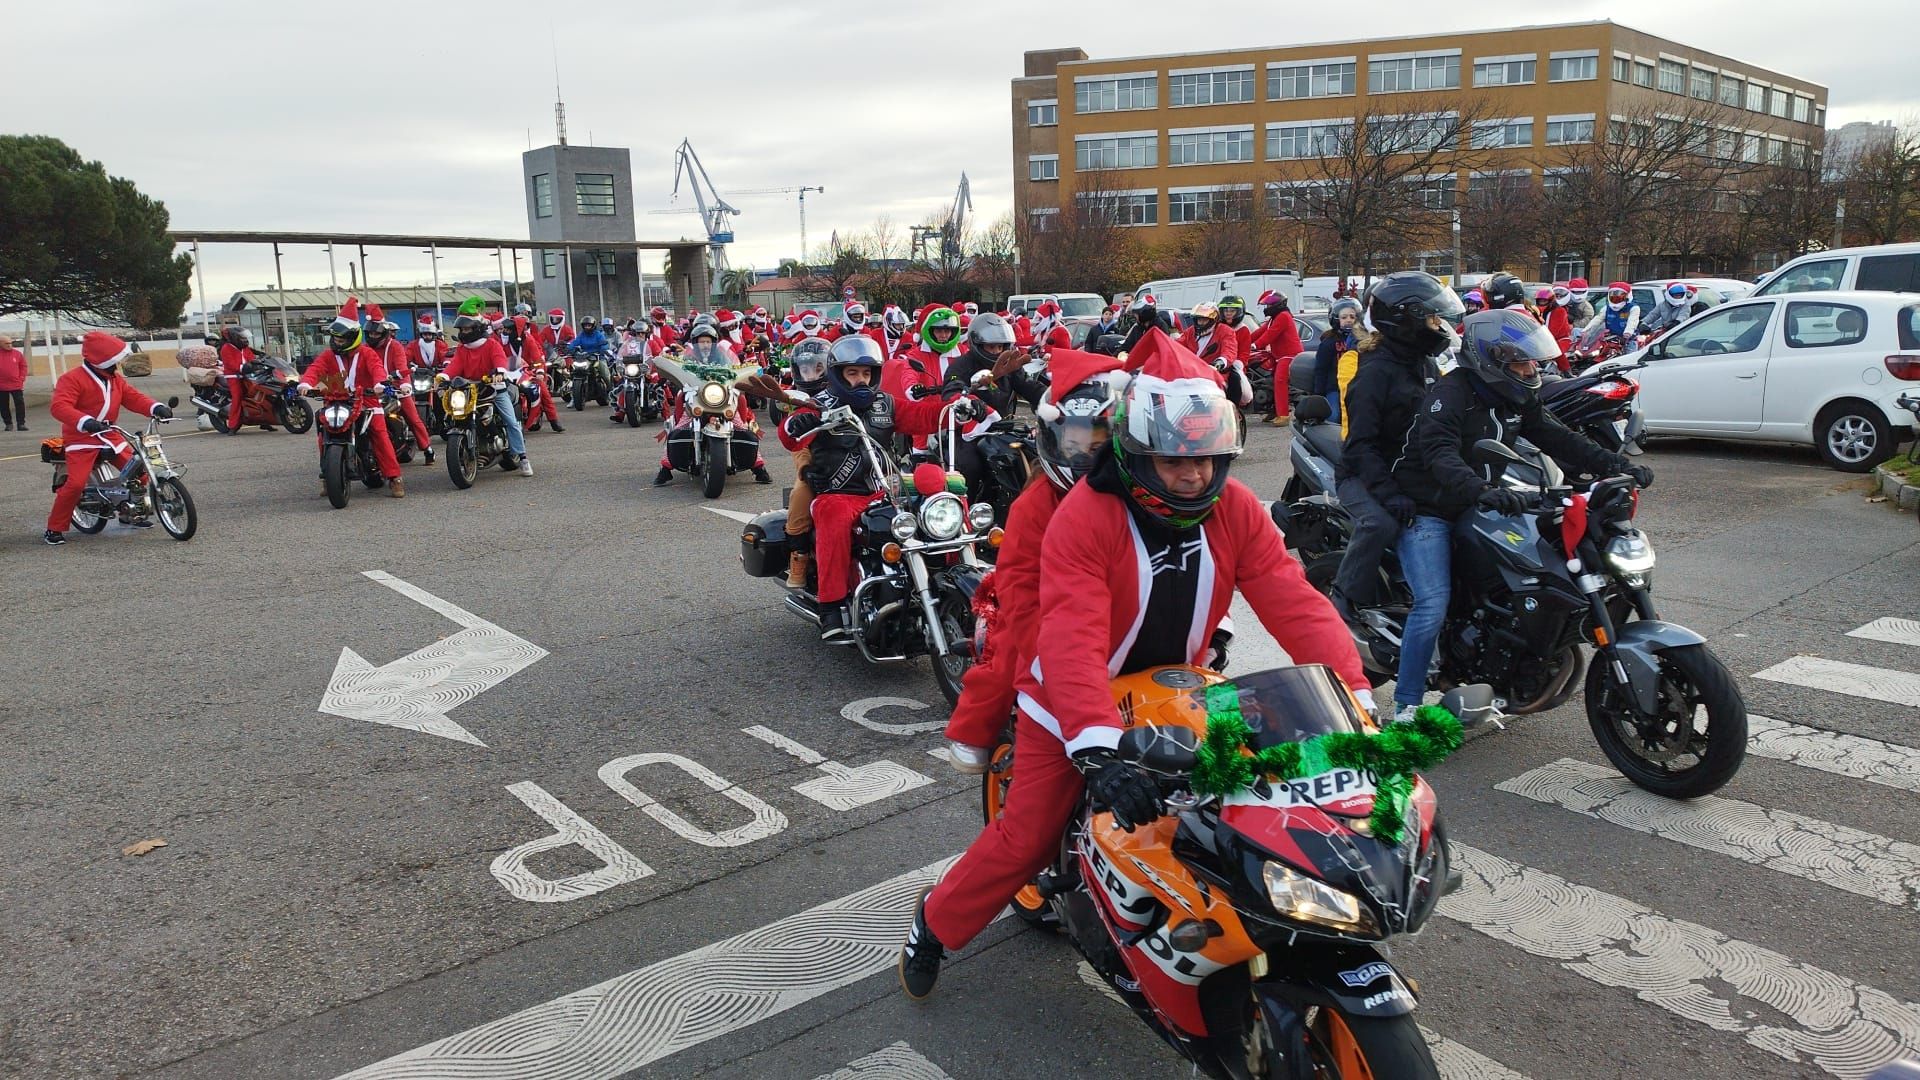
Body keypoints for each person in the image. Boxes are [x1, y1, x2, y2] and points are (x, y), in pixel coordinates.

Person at [897, 330, 1373, 998]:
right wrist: (1098, 747)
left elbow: (1294, 600)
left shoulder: (1235, 507)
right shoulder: (1083, 515)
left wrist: (1354, 698)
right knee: (1028, 836)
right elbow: (1069, 634)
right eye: (1174, 460)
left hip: (1182, 686)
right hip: (1069, 699)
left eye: (1208, 459)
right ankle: (934, 925)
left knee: (1251, 806)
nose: (1193, 475)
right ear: (1136, 450)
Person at [1390, 309, 1650, 723]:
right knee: (1432, 603)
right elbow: (1439, 454)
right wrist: (1483, 491)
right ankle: (1406, 704)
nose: (1531, 369)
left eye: (1533, 361)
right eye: (1520, 362)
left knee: (1535, 566)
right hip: (1428, 507)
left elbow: (1558, 437)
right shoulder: (1450, 395)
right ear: (1488, 360)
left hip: (1481, 498)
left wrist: (1615, 466)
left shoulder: (1517, 394)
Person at [941, 348, 1127, 773]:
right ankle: (978, 730)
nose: (1084, 452)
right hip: (1049, 611)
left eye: (1098, 439)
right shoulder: (1035, 505)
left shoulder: (1134, 492)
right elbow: (1021, 593)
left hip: (1121, 608)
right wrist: (1052, 655)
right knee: (1010, 653)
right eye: (1074, 440)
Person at [779, 337, 935, 639]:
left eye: (866, 373)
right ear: (838, 374)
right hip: (841, 493)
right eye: (852, 373)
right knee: (831, 514)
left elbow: (923, 416)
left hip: (885, 490)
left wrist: (959, 407)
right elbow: (790, 436)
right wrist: (796, 425)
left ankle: (939, 583)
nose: (861, 380)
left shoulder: (885, 403)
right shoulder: (819, 405)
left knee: (935, 507)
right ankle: (831, 607)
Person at [1329, 273, 1460, 630]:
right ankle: (1342, 596)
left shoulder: (1423, 363)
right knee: (1380, 522)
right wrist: (1388, 493)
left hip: (1407, 469)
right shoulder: (1374, 373)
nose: (1439, 326)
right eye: (1433, 318)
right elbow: (1359, 446)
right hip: (1363, 474)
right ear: (1406, 320)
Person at [43, 332, 174, 544]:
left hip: (110, 435)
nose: (118, 365)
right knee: (76, 484)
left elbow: (133, 398)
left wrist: (155, 407)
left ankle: (128, 513)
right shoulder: (71, 379)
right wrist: (85, 421)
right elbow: (59, 406)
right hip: (81, 439)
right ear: (102, 360)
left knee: (139, 471)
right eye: (114, 360)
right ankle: (54, 528)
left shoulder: (114, 379)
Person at [297, 298, 406, 498]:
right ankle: (327, 477)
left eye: (341, 339)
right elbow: (315, 369)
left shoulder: (367, 353)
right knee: (323, 435)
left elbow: (377, 369)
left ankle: (394, 477)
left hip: (367, 401)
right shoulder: (328, 355)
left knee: (379, 434)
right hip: (335, 400)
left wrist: (380, 384)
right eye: (335, 338)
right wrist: (305, 383)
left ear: (353, 336)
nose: (337, 342)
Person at [441, 304, 532, 476]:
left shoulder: (491, 344)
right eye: (462, 329)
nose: (464, 332)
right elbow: (455, 365)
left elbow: (499, 360)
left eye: (467, 328)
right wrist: (444, 377)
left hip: (494, 388)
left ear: (477, 327)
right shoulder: (462, 348)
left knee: (511, 422)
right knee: (454, 413)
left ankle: (523, 457)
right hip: (470, 389)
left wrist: (499, 372)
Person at [364, 306, 434, 462]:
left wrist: (404, 385)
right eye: (370, 333)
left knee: (412, 417)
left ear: (384, 333)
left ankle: (427, 448)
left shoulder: (395, 346)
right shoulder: (365, 349)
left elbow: (402, 366)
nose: (373, 336)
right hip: (372, 391)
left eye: (376, 333)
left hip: (395, 389)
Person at [1247, 291, 1301, 425]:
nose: (1266, 309)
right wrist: (1242, 341)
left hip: (1288, 355)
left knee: (1280, 380)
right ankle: (1274, 409)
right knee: (1268, 379)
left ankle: (1283, 414)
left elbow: (1270, 334)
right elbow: (1260, 332)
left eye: (1268, 306)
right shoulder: (1274, 318)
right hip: (1278, 356)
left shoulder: (1283, 316)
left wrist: (1255, 345)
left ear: (1276, 305)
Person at [1308, 296, 1362, 423]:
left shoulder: (1363, 342)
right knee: (1333, 416)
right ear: (1335, 319)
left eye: (1352, 317)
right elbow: (1321, 370)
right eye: (1344, 317)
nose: (1348, 320)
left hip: (1358, 388)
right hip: (1334, 388)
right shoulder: (1329, 343)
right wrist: (1318, 395)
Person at [218, 324, 261, 435]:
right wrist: (245, 367)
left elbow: (251, 358)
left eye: (245, 338)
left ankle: (262, 419)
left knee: (258, 393)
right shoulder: (226, 348)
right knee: (237, 398)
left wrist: (258, 362)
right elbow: (232, 365)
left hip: (247, 375)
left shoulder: (245, 348)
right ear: (235, 338)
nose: (245, 340)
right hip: (234, 377)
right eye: (242, 338)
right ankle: (233, 426)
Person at [1538, 287, 1574, 371]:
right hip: (1542, 338)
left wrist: (1542, 339)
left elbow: (1554, 330)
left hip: (1561, 339)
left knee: (1557, 350)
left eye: (1544, 301)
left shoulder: (1560, 311)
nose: (1542, 303)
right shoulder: (1536, 311)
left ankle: (1567, 372)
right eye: (1540, 301)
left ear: (1551, 300)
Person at [0, 334, 25, 431]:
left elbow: (23, 366)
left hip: (16, 384)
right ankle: (8, 424)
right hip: (1, 386)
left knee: (20, 403)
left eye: (11, 343)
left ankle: (21, 424)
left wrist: (21, 378)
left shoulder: (17, 354)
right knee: (3, 405)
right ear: (1, 344)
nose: (9, 345)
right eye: (6, 343)